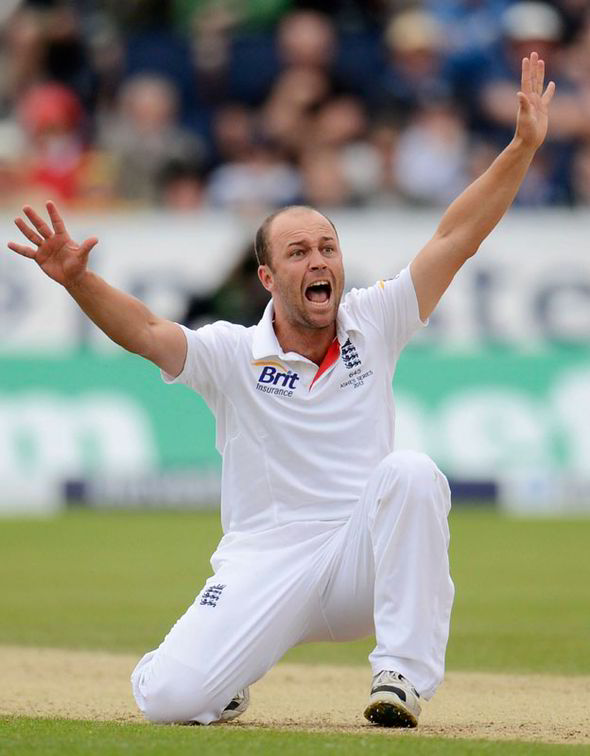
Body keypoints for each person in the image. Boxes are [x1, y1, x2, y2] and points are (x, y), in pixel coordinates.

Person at [7, 54, 554, 728]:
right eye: (298, 252)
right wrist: (77, 280)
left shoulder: (374, 319)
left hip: (359, 560)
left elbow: (457, 234)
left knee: (412, 473)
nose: (319, 260)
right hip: (265, 562)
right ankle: (221, 676)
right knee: (168, 702)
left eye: (327, 246)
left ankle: (401, 680)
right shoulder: (232, 352)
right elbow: (148, 329)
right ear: (267, 278)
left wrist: (523, 146)